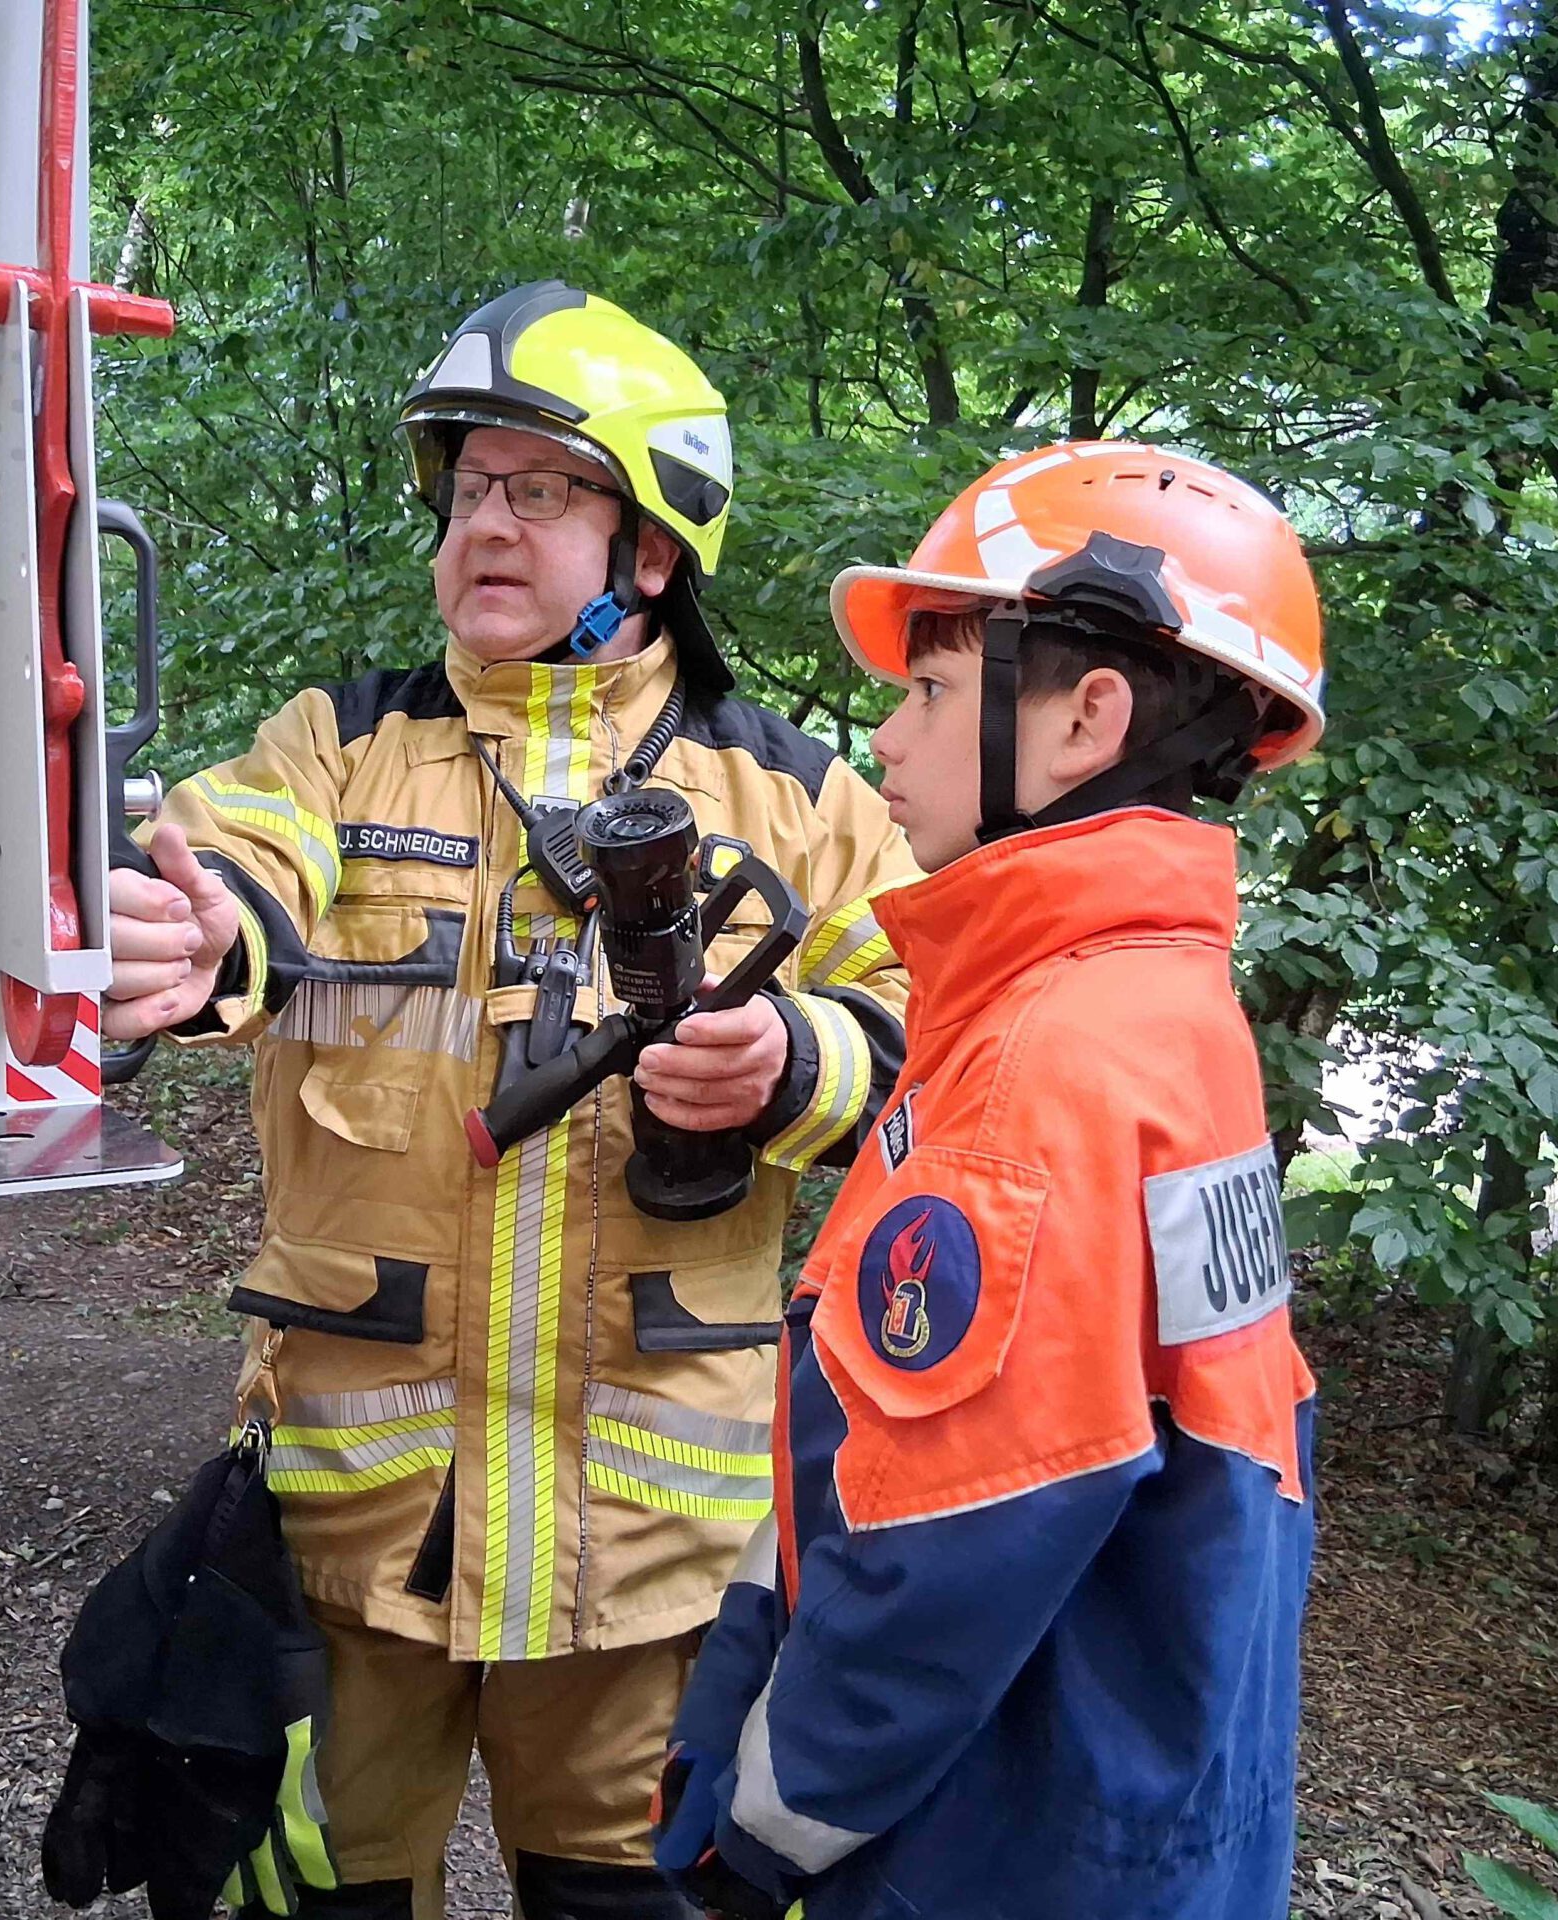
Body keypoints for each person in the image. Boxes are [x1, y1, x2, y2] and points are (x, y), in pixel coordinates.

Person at [102, 281, 917, 1920]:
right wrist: (201, 932)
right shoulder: (337, 745)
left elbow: (933, 1030)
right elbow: (245, 859)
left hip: (646, 1563)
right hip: (358, 1544)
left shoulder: (806, 801)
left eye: (539, 487)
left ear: (654, 547)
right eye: (468, 486)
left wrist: (791, 1064)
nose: (484, 519)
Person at [654, 440, 1328, 1920]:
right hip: (1146, 1788)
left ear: (1084, 719)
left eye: (932, 692)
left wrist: (761, 1829)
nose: (886, 741)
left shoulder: (1042, 1065)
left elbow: (941, 1546)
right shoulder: (1170, 1013)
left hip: (994, 1842)